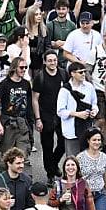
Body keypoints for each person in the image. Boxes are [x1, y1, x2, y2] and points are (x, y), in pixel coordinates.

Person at [32, 50, 67, 182]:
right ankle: (50, 174)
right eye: (50, 60)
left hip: (61, 114)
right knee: (47, 146)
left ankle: (53, 164)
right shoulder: (40, 77)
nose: (53, 63)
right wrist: (38, 119)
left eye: (55, 60)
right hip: (46, 115)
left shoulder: (63, 74)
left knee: (63, 143)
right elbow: (35, 99)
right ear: (45, 62)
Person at [58, 61, 97, 157]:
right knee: (72, 159)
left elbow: (94, 104)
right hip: (71, 131)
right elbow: (60, 111)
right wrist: (77, 114)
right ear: (72, 73)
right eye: (80, 72)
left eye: (84, 72)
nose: (83, 74)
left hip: (87, 129)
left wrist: (94, 111)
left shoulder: (89, 87)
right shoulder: (64, 90)